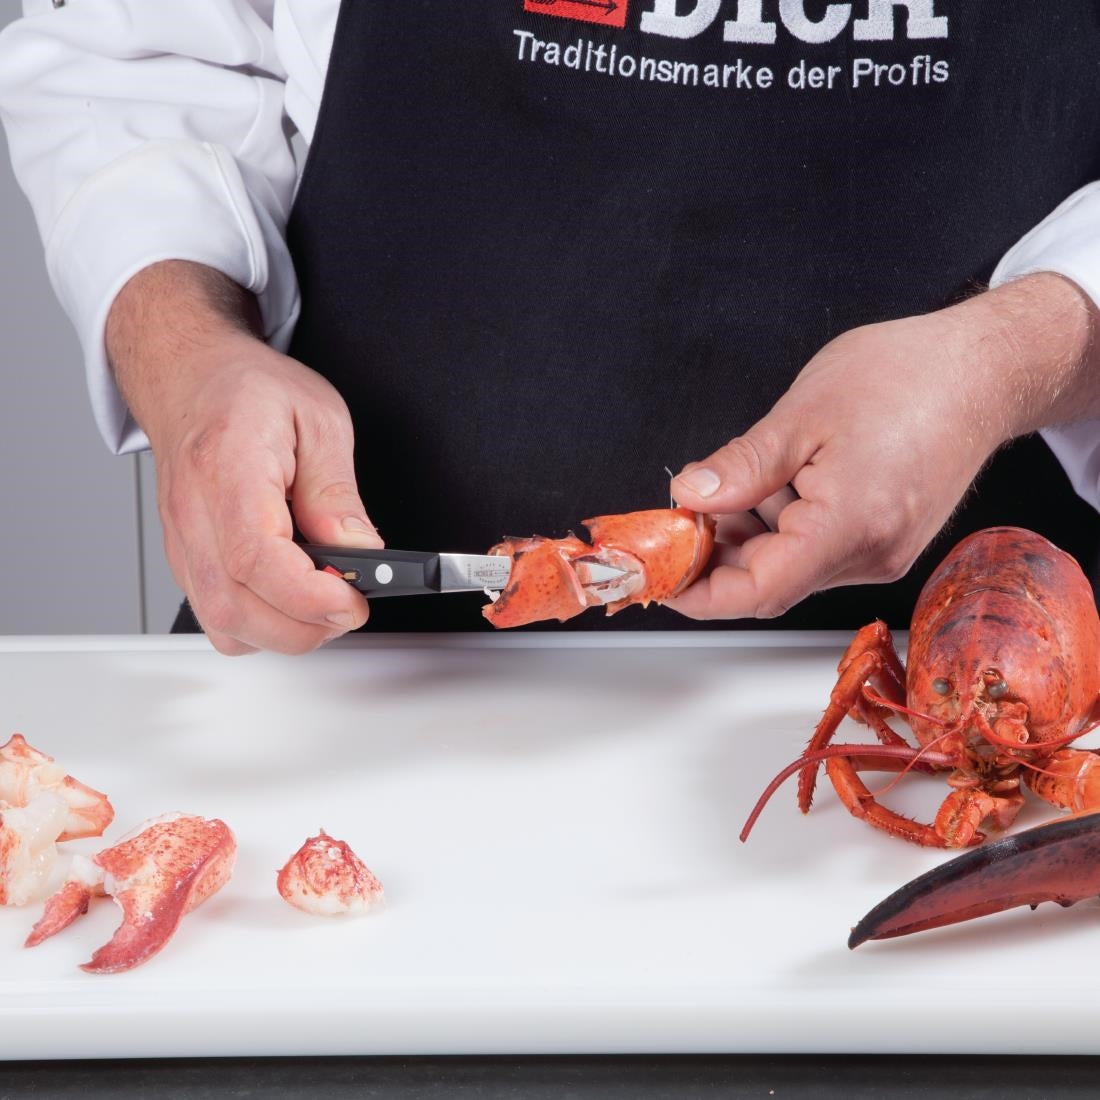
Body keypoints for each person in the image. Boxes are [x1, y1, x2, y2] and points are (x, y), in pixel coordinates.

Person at [1, 1, 1097, 656]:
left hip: (985, 707)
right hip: (353, 677)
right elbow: (140, 58)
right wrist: (189, 353)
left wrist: (1009, 357)